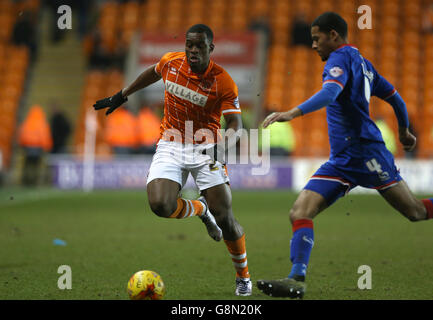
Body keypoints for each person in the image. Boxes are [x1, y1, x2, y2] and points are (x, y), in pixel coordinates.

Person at [257, 12, 433, 299]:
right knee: (299, 212)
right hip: (342, 160)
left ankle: (296, 276)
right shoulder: (363, 63)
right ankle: (296, 279)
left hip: (366, 153)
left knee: (415, 212)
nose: (313, 45)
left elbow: (329, 94)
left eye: (317, 39)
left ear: (334, 36)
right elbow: (395, 97)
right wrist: (403, 132)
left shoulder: (339, 60)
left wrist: (292, 112)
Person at [93, 24, 252, 296]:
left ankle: (243, 277)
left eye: (199, 46)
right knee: (159, 204)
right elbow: (152, 73)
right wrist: (123, 94)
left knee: (225, 217)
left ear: (210, 49)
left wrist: (224, 146)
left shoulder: (223, 81)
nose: (192, 50)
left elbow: (236, 122)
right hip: (171, 143)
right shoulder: (171, 62)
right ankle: (200, 210)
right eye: (189, 44)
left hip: (207, 147)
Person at [18, 105, 53, 186]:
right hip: (38, 148)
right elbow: (45, 136)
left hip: (27, 148)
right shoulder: (42, 123)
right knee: (36, 165)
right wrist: (47, 146)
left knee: (27, 165)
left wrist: (22, 145)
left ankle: (25, 180)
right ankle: (34, 181)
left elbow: (22, 135)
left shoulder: (27, 123)